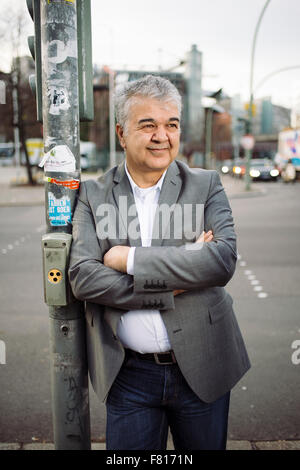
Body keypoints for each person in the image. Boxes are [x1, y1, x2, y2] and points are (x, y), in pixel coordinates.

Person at [68, 75, 250, 450]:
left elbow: (222, 261)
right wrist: (181, 271)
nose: (162, 136)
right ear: (121, 133)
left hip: (203, 365)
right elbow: (84, 278)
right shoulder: (92, 193)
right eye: (147, 124)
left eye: (171, 125)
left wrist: (127, 258)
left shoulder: (206, 185)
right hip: (128, 373)